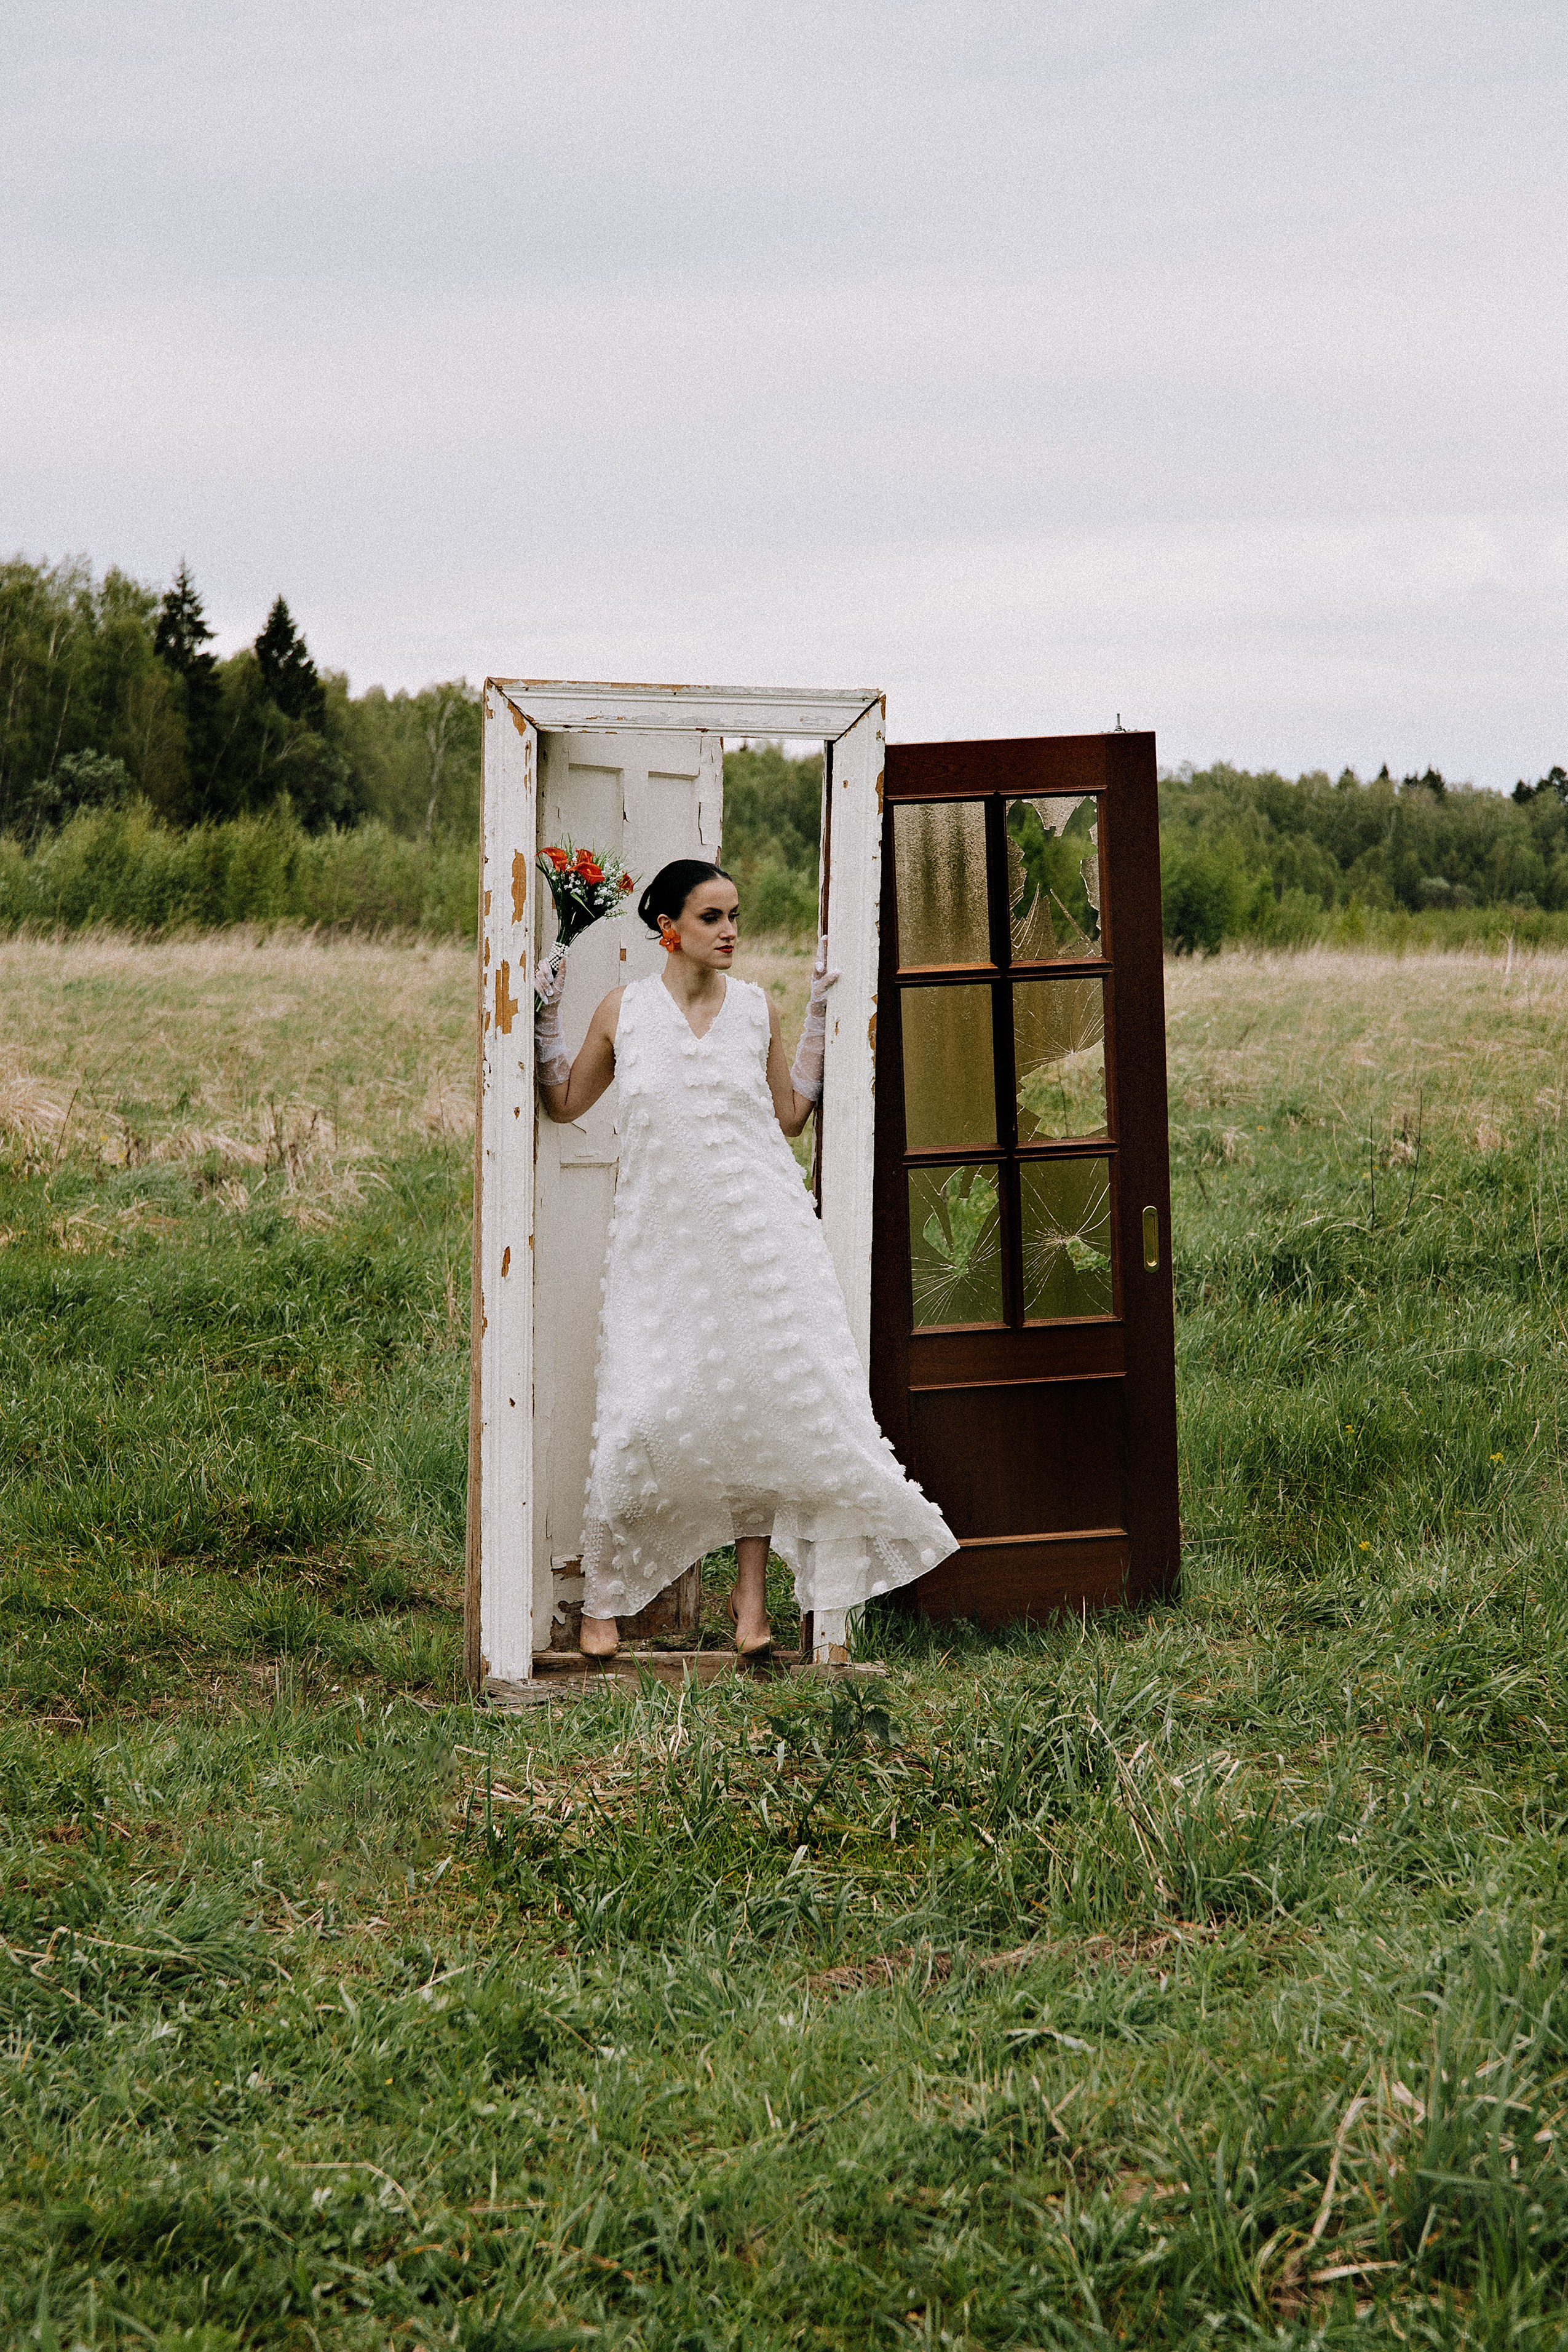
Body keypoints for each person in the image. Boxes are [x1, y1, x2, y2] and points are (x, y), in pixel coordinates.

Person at [534, 858, 957, 1660]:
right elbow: (563, 1103)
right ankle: (602, 1603)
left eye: (735, 915)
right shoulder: (623, 1012)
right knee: (637, 1416)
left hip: (761, 1242)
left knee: (759, 1413)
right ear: (669, 928)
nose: (730, 931)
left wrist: (826, 1015)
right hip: (658, 1250)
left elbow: (791, 1115)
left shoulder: (756, 1008)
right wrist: (544, 1015)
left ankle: (751, 1606)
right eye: (711, 917)